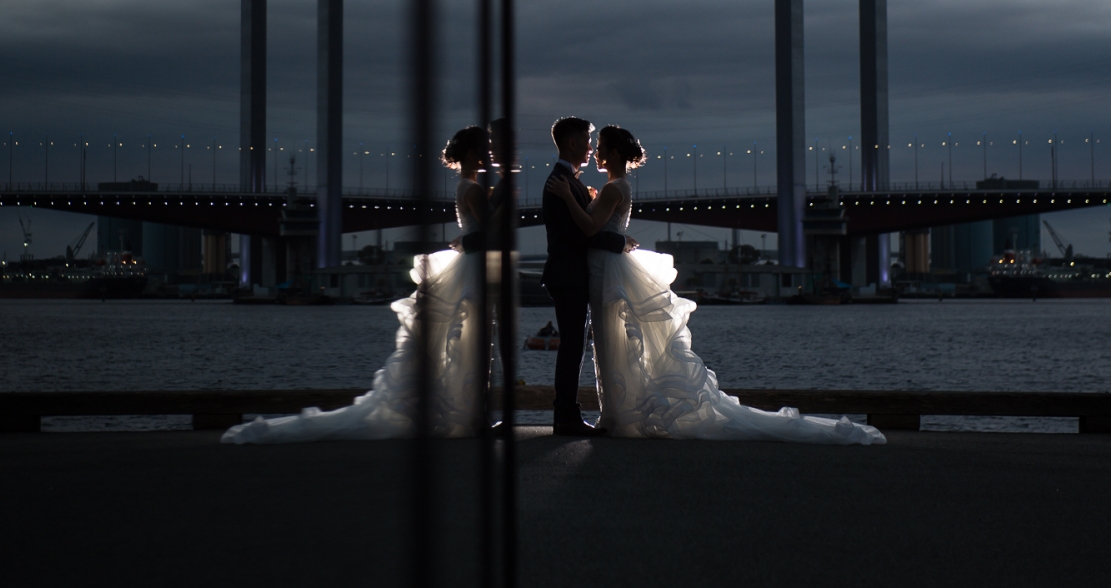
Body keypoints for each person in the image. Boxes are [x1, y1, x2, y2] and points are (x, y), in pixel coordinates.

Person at [544, 125, 884, 444]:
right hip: (606, 268)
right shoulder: (616, 187)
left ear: (616, 153)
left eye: (601, 147)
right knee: (613, 344)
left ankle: (616, 416)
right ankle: (617, 414)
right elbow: (598, 225)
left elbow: (589, 228)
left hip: (608, 272)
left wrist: (573, 198)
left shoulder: (611, 188)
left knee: (612, 343)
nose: (596, 152)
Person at [220, 128, 489, 443]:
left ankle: (468, 414)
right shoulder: (473, 190)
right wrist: (472, 234)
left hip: (467, 262)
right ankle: (471, 416)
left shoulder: (466, 187)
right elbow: (491, 231)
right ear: (471, 153)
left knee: (462, 342)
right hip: (470, 266)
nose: (490, 154)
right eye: (485, 148)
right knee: (469, 342)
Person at [539, 116, 636, 436]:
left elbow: (588, 223)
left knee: (575, 344)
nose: (591, 148)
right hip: (568, 275)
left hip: (576, 274)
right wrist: (619, 241)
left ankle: (568, 413)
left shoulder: (573, 182)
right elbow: (581, 235)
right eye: (587, 141)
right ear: (572, 144)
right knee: (572, 345)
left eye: (597, 144)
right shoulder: (560, 183)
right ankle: (565, 416)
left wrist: (585, 199)